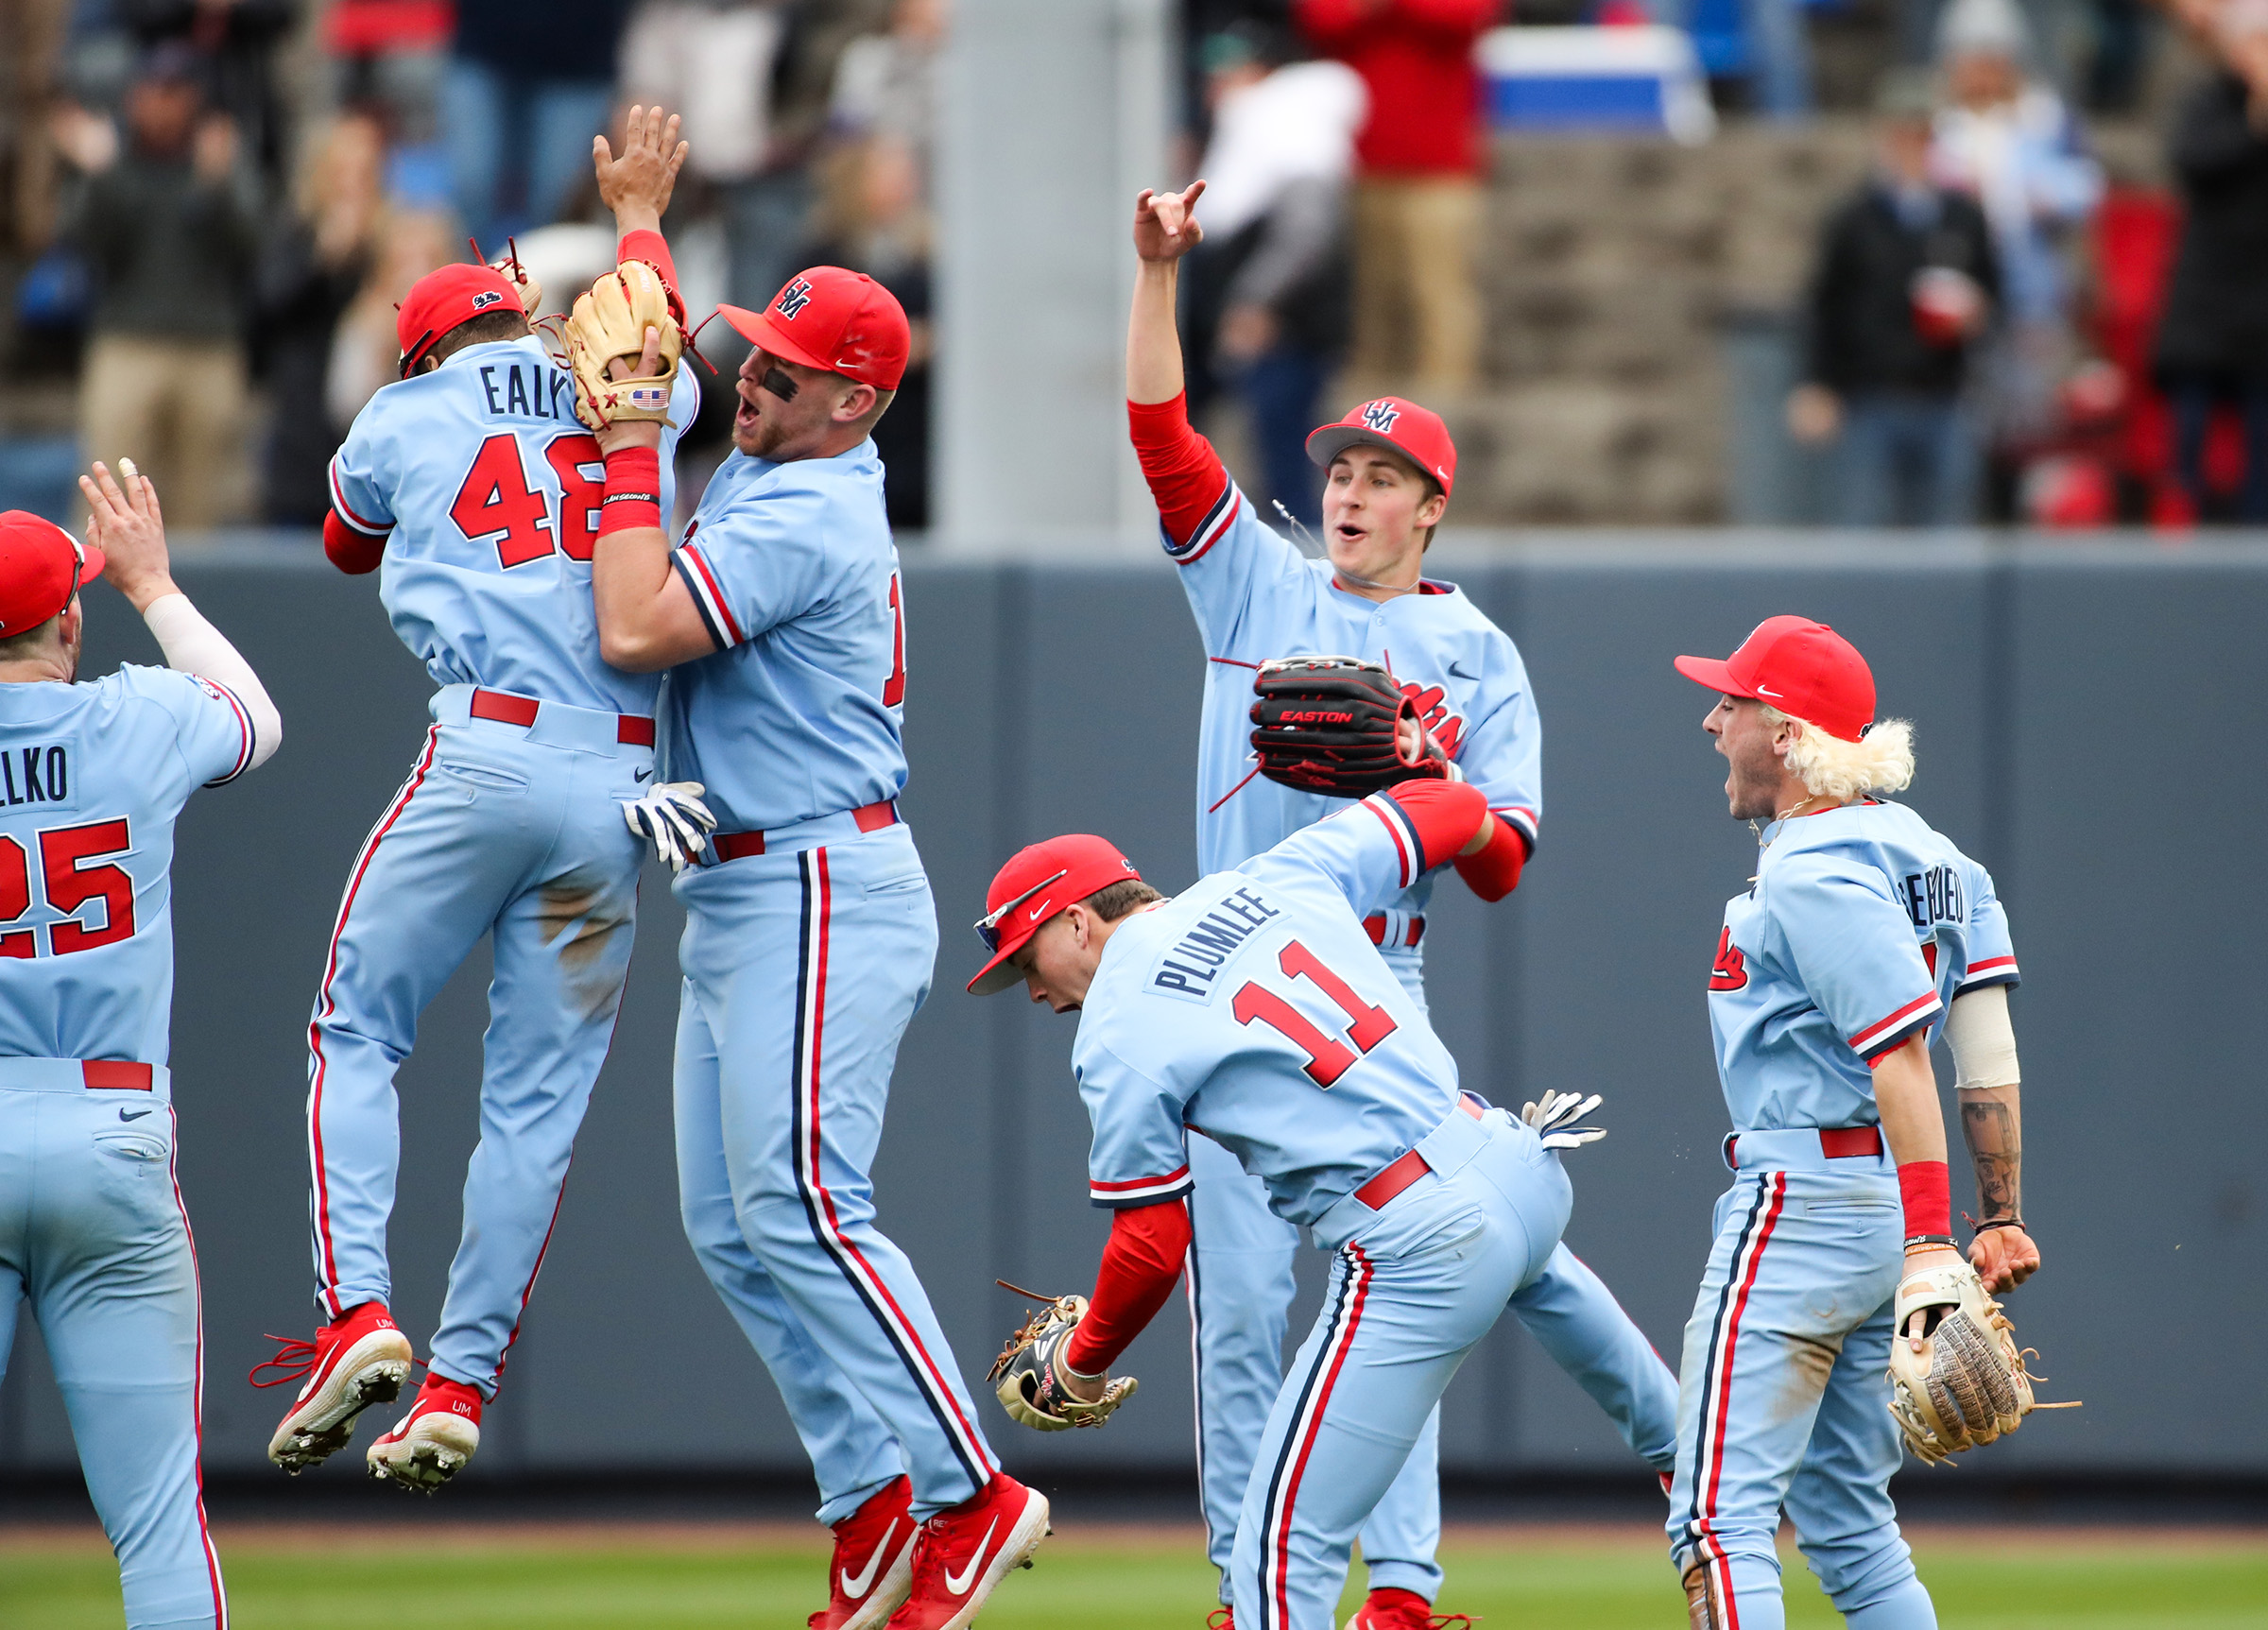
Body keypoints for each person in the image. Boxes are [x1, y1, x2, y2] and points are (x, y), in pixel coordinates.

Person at [1125, 180, 1677, 1630]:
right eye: (1340, 470)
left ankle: (1407, 1590)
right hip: (1241, 991)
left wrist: (1435, 778)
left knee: (1407, 1298)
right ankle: (1256, 1588)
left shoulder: (1479, 653)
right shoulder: (1254, 590)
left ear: (1434, 505)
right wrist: (1154, 279)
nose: (1351, 492)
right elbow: (1162, 442)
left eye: (1381, 474)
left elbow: (1505, 861)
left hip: (1380, 988)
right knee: (1240, 1315)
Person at [583, 209, 1043, 1626]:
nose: (751, 382)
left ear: (858, 398)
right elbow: (662, 384)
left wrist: (618, 451)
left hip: (818, 880)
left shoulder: (806, 503)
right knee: (732, 1223)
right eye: (754, 358)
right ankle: (873, 1494)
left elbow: (635, 630)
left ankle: (974, 1492)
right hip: (742, 874)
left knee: (803, 1204)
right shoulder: (770, 470)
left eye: (784, 370)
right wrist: (642, 234)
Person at [253, 109, 700, 1493]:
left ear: (426, 346)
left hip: (486, 752)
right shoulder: (632, 390)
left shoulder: (402, 409)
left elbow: (340, 542)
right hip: (623, 781)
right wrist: (636, 219)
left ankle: (359, 1316)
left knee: (354, 1027)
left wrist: (436, 397)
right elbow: (658, 320)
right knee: (536, 1111)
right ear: (523, 317)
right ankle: (460, 1379)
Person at [963, 783, 1593, 1630]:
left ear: (1078, 922)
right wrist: (1468, 817)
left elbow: (1151, 1242)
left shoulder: (1114, 1024)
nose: (1031, 990)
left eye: (1024, 960)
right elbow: (1445, 806)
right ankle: (1709, 1502)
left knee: (1276, 1551)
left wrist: (1083, 1356)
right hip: (1508, 1153)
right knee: (1677, 1437)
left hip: (1405, 1233)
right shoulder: (1266, 876)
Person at [1667, 616, 2037, 1630]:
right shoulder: (1937, 856)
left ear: (1783, 733)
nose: (1712, 721)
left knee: (1715, 1519)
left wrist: (1933, 1242)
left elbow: (1902, 1054)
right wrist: (1996, 1214)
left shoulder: (1812, 865)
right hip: (1878, 1212)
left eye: (1732, 703)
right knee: (1849, 1525)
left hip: (1805, 1207)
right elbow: (1987, 1048)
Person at [0, 476, 281, 1629]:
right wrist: (153, 583)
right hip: (111, 1136)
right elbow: (256, 719)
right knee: (159, 1519)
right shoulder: (137, 718)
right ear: (70, 619)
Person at [1788, 72, 2001, 527]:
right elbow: (1827, 306)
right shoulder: (1854, 219)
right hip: (1872, 398)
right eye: (1900, 135)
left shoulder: (1962, 217)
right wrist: (1818, 384)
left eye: (1921, 136)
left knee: (1948, 533)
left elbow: (1993, 294)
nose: (1910, 148)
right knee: (1864, 532)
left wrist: (1976, 315)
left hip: (1946, 396)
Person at [65, 43, 262, 530]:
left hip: (209, 345)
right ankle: (87, 599)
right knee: (107, 492)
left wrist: (217, 184)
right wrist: (102, 175)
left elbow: (254, 248)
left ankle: (188, 604)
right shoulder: (114, 162)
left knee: (201, 505)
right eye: (154, 90)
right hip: (127, 342)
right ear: (134, 97)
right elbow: (83, 244)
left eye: (176, 91)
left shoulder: (219, 161)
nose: (163, 102)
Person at [1179, 24, 1364, 528]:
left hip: (1289, 330)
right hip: (1271, 328)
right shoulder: (1252, 130)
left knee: (1286, 455)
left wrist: (1255, 303)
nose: (1216, 89)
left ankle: (1302, 555)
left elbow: (1304, 238)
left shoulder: (1292, 125)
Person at [1293, 0, 1497, 397]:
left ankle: (1445, 400)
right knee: (1372, 294)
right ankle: (1373, 408)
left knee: (1438, 288)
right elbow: (1320, 20)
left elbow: (1469, 15)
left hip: (1440, 168)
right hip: (1364, 162)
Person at [2153, 0, 2268, 522]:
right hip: (2207, 304)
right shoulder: (2210, 101)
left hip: (2262, 314)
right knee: (2190, 442)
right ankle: (2183, 535)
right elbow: (2193, 162)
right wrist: (2255, 121)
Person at [253, 111, 388, 525]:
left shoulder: (392, 240)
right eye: (341, 171)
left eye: (362, 173)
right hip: (303, 428)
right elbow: (266, 309)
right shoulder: (295, 234)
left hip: (373, 426)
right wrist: (322, 259)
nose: (351, 185)